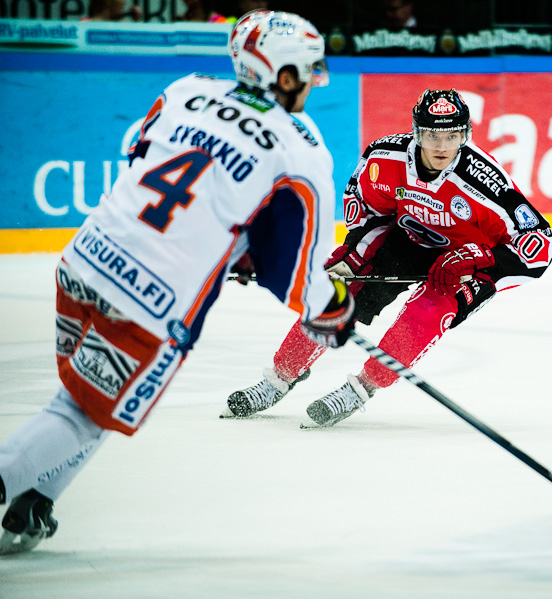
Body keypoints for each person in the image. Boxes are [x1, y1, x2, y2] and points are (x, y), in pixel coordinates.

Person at [0, 10, 353, 555]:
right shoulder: (300, 150)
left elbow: (142, 162)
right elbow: (300, 279)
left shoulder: (185, 90)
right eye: (306, 69)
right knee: (79, 414)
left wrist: (231, 243)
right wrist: (333, 311)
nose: (311, 79)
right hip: (148, 303)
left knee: (85, 399)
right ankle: (21, 484)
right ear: (284, 74)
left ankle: (36, 499)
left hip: (84, 262)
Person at [222, 89, 552, 428]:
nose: (442, 147)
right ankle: (279, 378)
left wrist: (475, 258)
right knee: (335, 288)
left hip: (465, 260)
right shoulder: (384, 158)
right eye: (432, 135)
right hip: (405, 238)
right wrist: (354, 258)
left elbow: (539, 245)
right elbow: (368, 211)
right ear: (417, 132)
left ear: (465, 134)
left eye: (452, 136)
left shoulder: (484, 182)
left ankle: (360, 390)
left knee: (428, 310)